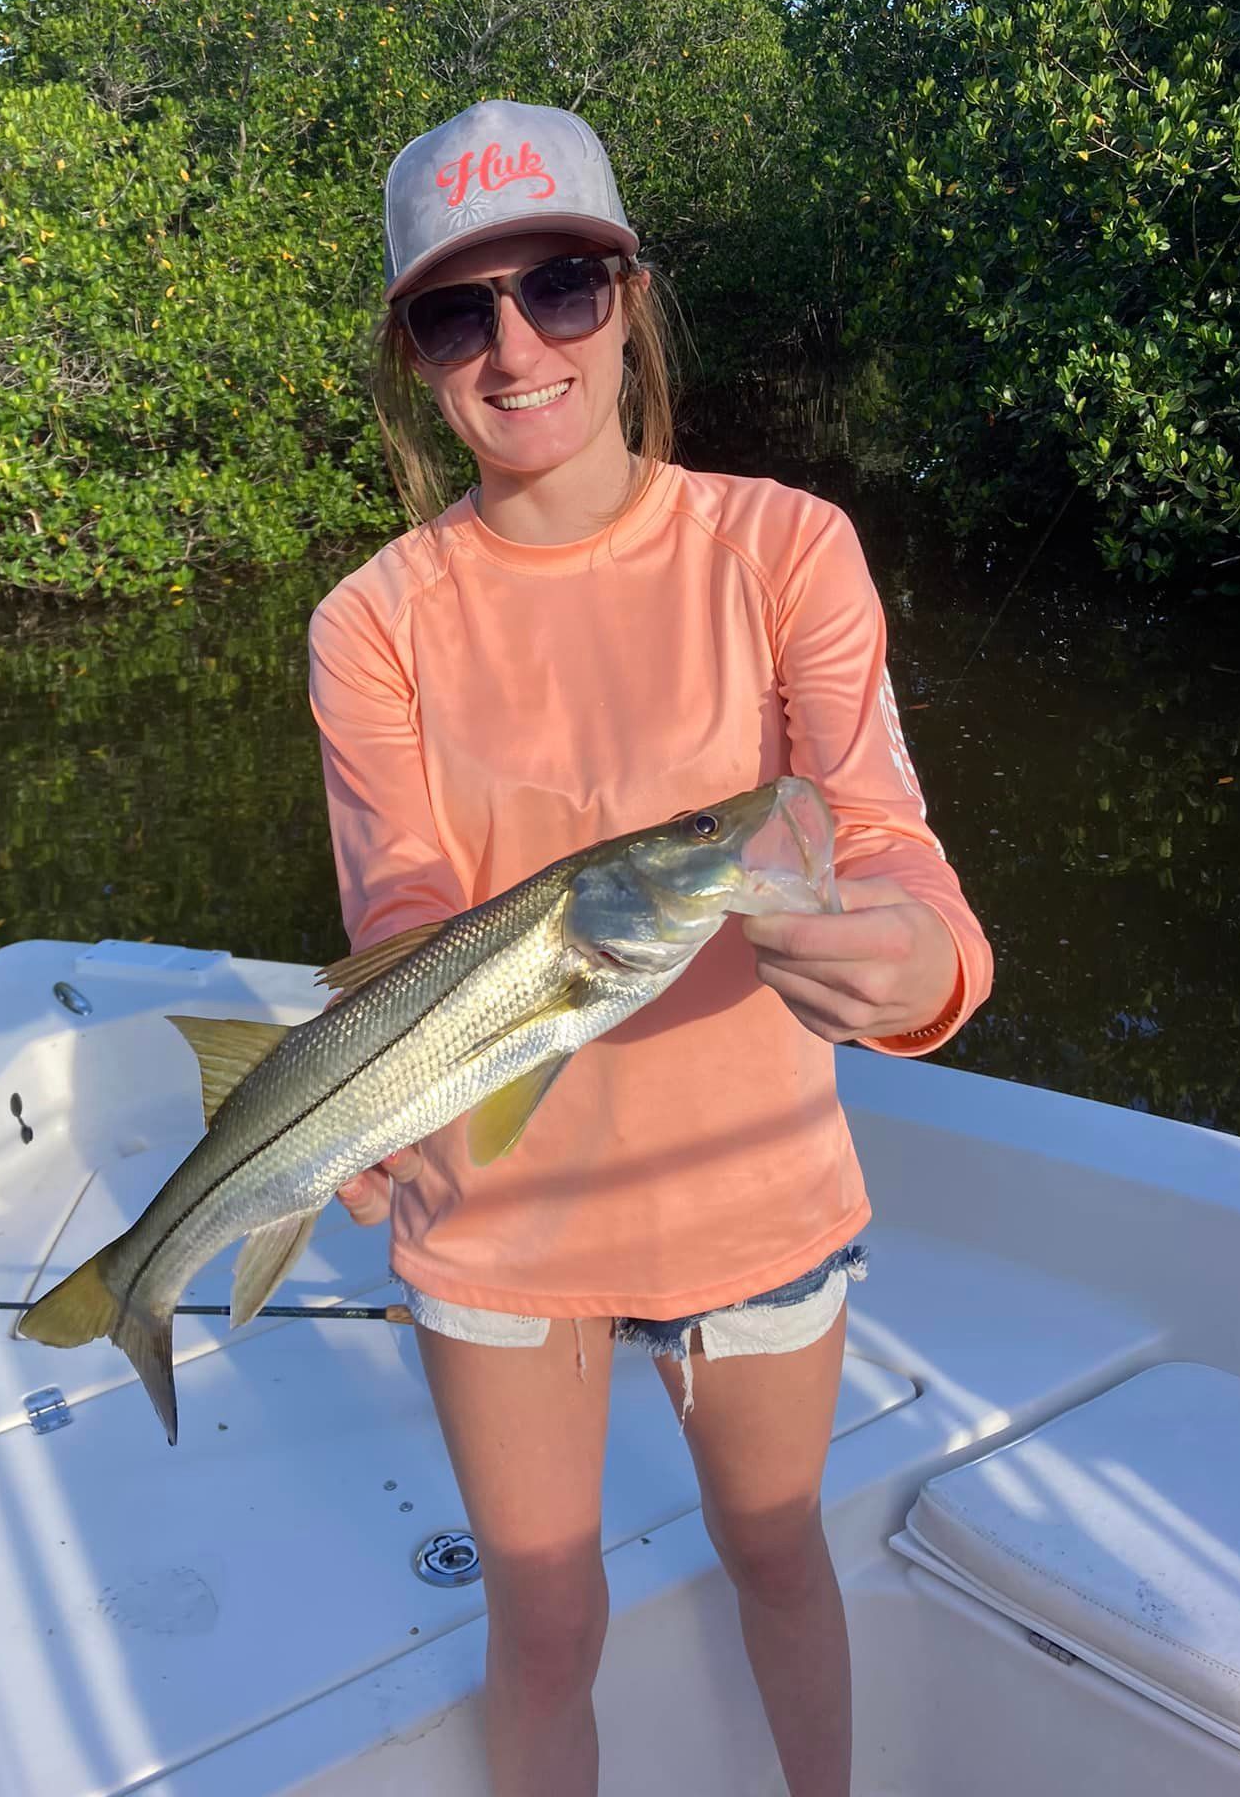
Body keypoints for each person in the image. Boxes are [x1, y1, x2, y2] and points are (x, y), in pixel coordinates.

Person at [306, 100, 992, 1797]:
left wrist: (928, 964)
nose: (516, 346)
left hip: (751, 1196)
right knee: (543, 1622)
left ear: (629, 301)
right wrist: (365, 1102)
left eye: (560, 284)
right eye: (456, 312)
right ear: (413, 357)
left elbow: (880, 832)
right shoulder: (369, 622)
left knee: (780, 1556)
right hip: (491, 1218)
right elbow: (401, 911)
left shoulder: (785, 547)